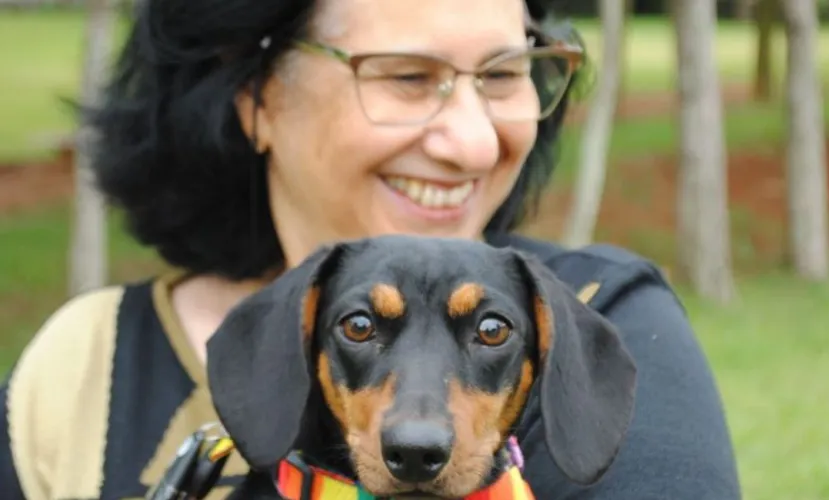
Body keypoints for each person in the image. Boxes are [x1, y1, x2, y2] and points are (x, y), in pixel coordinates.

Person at [0, 0, 741, 498]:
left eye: (504, 74)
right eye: (408, 77)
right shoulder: (79, 370)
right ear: (252, 92)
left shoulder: (592, 322)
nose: (474, 140)